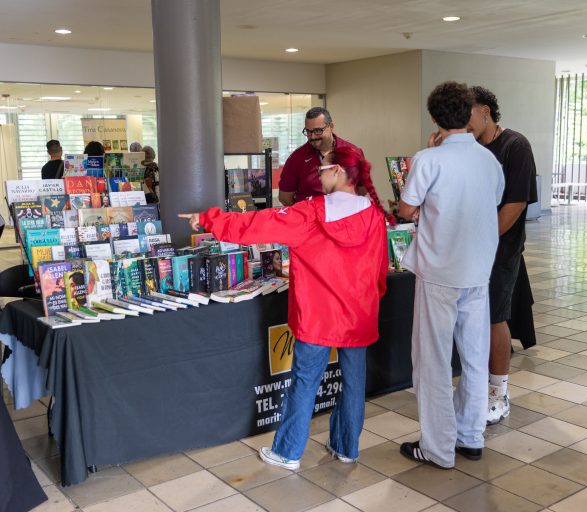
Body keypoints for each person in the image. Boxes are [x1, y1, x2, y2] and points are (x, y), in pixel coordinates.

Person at [180, 145, 392, 470]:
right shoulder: (374, 215)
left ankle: (288, 452)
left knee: (304, 383)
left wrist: (210, 219)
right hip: (359, 314)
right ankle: (347, 447)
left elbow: (257, 224)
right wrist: (370, 300)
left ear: (338, 172)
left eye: (322, 168)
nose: (317, 174)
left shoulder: (310, 213)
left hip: (319, 316)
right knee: (354, 383)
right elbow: (380, 269)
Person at [398, 82, 504, 469]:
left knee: (434, 361)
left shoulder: (429, 158)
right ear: (469, 113)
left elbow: (406, 209)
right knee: (474, 358)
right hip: (478, 270)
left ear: (435, 119)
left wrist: (430, 151)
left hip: (440, 271)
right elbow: (492, 201)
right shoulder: (489, 160)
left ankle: (438, 447)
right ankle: (471, 436)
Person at [466, 86, 538, 425]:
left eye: (467, 114)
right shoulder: (468, 148)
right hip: (466, 250)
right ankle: (476, 388)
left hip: (501, 250)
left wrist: (484, 240)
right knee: (473, 320)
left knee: (495, 317)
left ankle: (498, 394)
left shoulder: (515, 146)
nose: (463, 123)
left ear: (485, 111)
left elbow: (515, 205)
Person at [278, 107, 364, 206]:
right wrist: (304, 213)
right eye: (308, 131)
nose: (312, 136)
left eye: (318, 131)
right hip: (310, 215)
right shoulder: (296, 158)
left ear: (331, 127)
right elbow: (285, 198)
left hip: (345, 214)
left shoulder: (352, 152)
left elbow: (362, 189)